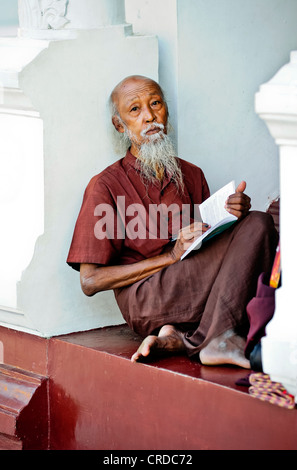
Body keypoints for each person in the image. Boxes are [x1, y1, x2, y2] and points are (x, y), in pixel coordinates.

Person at [67, 75, 278, 368]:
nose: (150, 116)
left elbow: (209, 249)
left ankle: (180, 337)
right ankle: (216, 336)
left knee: (259, 223)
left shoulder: (191, 174)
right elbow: (89, 282)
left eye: (155, 104)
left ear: (166, 110)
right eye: (135, 110)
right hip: (146, 299)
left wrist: (231, 218)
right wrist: (170, 256)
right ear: (120, 126)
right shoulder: (106, 185)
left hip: (192, 291)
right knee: (258, 226)